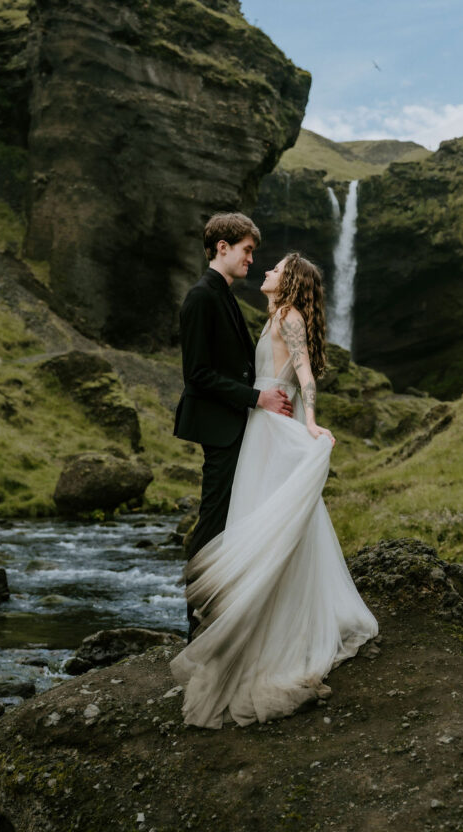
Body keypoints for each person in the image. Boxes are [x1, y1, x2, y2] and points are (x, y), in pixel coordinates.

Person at [169, 252, 378, 728]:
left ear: (290, 282)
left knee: (267, 522)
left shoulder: (288, 315)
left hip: (270, 427)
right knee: (264, 522)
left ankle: (267, 628)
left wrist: (309, 422)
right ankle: (259, 618)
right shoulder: (273, 315)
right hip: (257, 426)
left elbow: (304, 374)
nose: (265, 270)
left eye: (276, 268)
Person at [173, 213, 293, 641]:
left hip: (237, 425)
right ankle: (197, 622)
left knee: (232, 518)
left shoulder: (224, 294)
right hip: (221, 426)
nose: (251, 259)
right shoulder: (201, 298)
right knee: (213, 521)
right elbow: (198, 375)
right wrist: (257, 398)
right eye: (246, 250)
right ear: (221, 247)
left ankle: (223, 610)